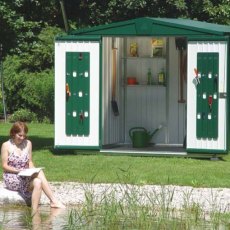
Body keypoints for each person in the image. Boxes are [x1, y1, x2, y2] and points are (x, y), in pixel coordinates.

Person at [1, 121, 65, 214]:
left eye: (24, 136)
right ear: (13, 133)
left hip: (24, 174)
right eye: (20, 135)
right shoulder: (6, 145)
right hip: (12, 176)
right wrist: (17, 170)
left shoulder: (28, 143)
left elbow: (30, 161)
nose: (22, 138)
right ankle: (53, 200)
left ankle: (35, 213)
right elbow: (4, 166)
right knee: (38, 175)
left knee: (38, 180)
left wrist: (32, 170)